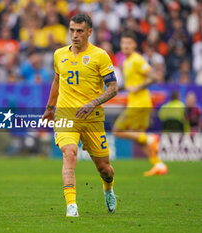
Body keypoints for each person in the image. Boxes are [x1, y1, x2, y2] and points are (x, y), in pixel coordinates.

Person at [42, 14, 118, 217]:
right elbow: (57, 81)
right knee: (69, 153)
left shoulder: (100, 55)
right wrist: (50, 108)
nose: (74, 35)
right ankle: (71, 205)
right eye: (72, 30)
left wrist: (92, 103)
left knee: (105, 169)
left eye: (80, 31)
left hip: (92, 118)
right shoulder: (59, 54)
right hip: (66, 115)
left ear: (89, 32)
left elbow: (113, 88)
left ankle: (108, 189)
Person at [112, 31, 168, 176]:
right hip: (136, 102)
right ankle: (159, 165)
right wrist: (117, 89)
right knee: (139, 138)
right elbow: (130, 84)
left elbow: (153, 77)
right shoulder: (126, 62)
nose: (125, 46)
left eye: (129, 43)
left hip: (139, 103)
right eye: (123, 43)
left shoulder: (137, 59)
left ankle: (151, 138)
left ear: (135, 45)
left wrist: (137, 88)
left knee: (117, 130)